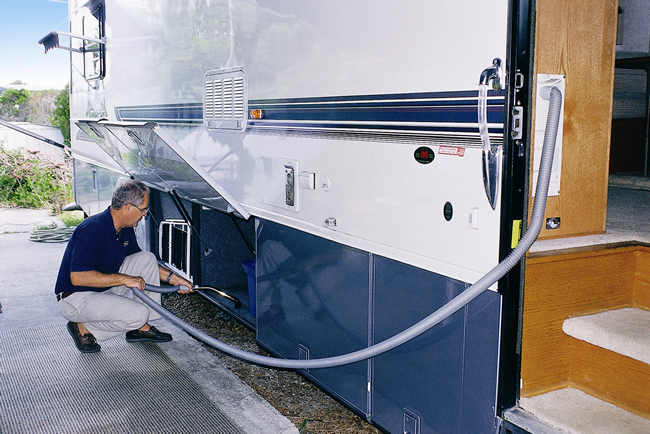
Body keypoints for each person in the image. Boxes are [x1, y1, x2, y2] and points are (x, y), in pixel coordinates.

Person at [54, 178, 194, 353]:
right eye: (143, 209)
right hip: (76, 298)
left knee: (146, 258)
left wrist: (175, 280)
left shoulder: (125, 228)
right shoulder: (92, 229)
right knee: (137, 313)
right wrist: (125, 279)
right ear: (128, 207)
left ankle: (140, 327)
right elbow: (78, 277)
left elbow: (142, 264)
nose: (145, 214)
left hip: (101, 288)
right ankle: (83, 328)